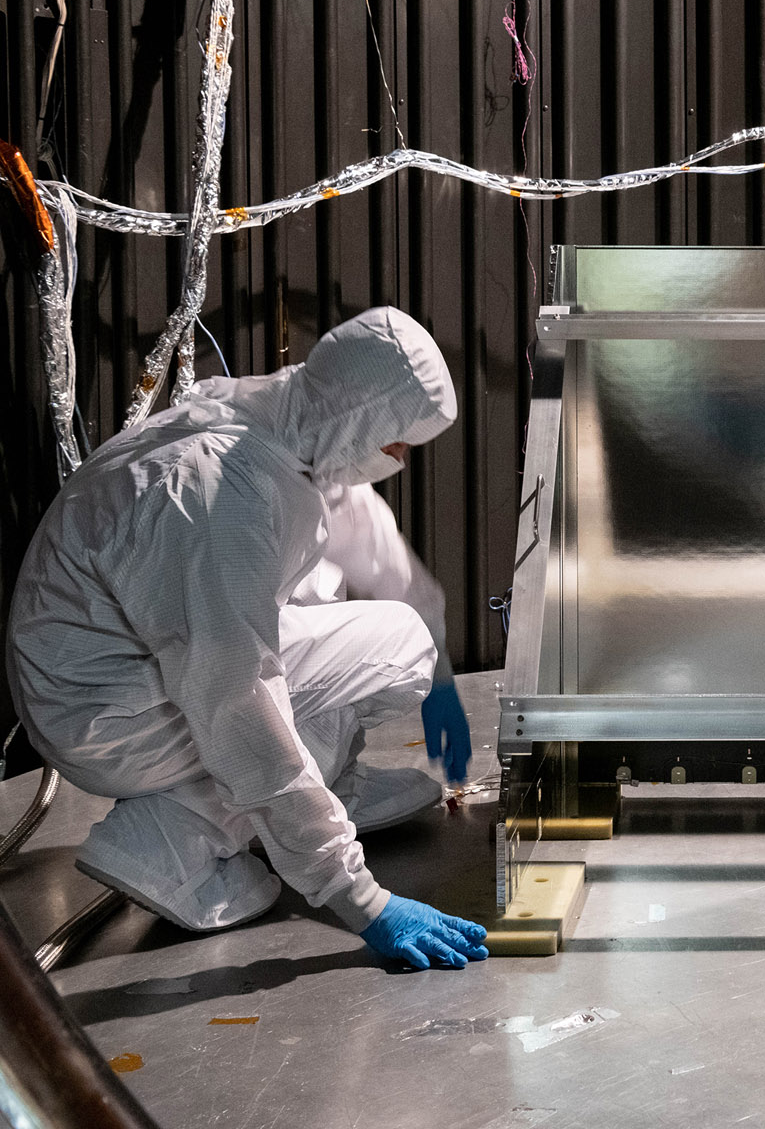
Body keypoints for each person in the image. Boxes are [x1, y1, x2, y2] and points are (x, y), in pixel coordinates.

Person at [6, 308, 488, 969]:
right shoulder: (219, 491)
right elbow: (239, 703)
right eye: (397, 443)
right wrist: (361, 897)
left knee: (364, 612)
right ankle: (170, 838)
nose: (398, 460)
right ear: (361, 419)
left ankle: (323, 786)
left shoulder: (283, 431)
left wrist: (441, 687)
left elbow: (372, 546)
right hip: (99, 714)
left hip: (123, 677)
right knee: (389, 644)